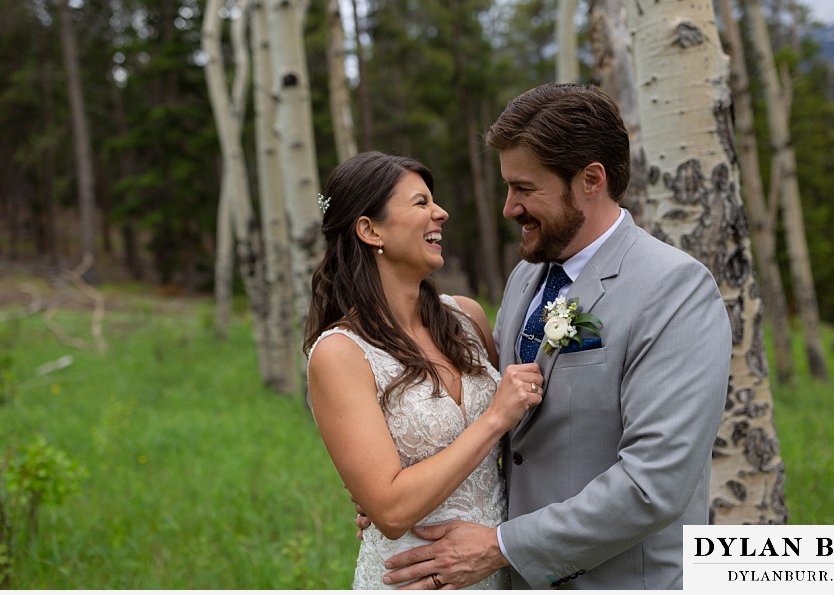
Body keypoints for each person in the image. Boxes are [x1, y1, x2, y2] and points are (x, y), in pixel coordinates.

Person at [378, 83, 732, 590]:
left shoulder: (674, 288)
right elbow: (502, 424)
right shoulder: (527, 278)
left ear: (590, 180)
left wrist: (501, 546)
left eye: (525, 188)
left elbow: (654, 484)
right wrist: (403, 489)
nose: (508, 208)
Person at [303, 151, 545, 590]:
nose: (441, 212)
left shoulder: (467, 319)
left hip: (496, 569)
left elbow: (515, 451)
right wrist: (494, 419)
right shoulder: (340, 354)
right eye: (420, 203)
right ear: (369, 229)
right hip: (412, 578)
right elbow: (392, 511)